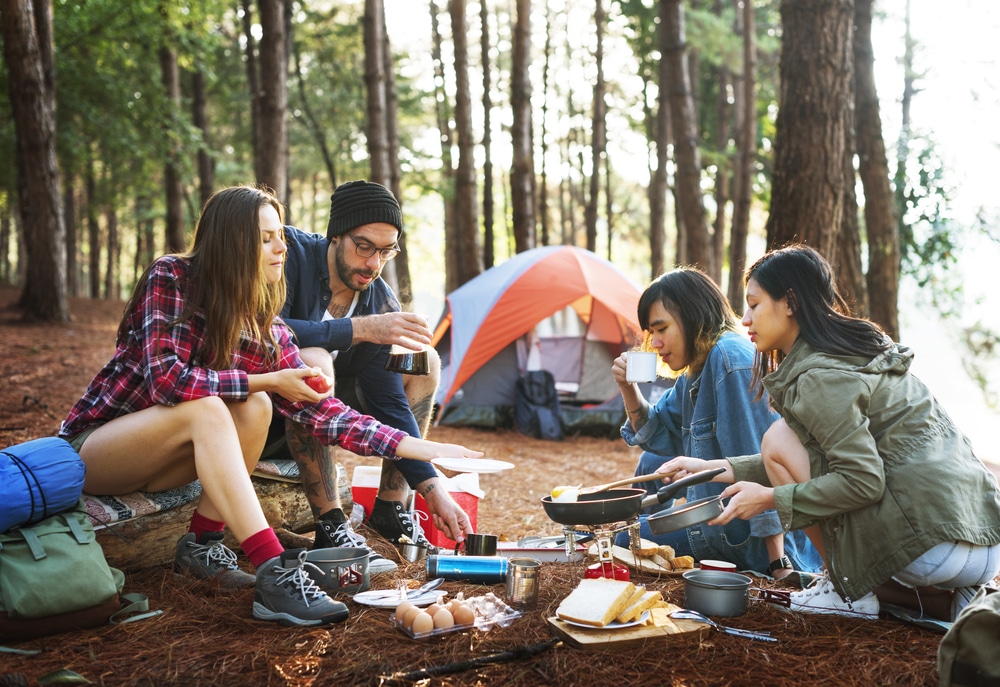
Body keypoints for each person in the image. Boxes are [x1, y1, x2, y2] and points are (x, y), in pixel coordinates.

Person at [58, 185, 482, 627]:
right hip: (100, 450)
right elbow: (168, 382)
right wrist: (269, 379)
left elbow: (319, 410)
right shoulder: (173, 275)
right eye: (266, 238)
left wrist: (417, 450)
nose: (282, 246)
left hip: (173, 460)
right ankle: (274, 571)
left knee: (256, 406)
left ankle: (201, 544)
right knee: (212, 406)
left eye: (279, 234)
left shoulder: (259, 312)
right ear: (230, 242)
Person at [655, 244, 1000, 621]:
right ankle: (939, 598)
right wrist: (710, 468)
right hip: (981, 542)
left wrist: (770, 498)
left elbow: (863, 481)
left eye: (754, 304)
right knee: (783, 443)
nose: (745, 318)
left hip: (932, 548)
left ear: (790, 302)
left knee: (778, 438)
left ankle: (844, 590)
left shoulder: (820, 375)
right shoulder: (853, 350)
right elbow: (810, 458)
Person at [267, 179, 466, 572]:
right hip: (261, 413)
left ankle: (391, 508)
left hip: (335, 418)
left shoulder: (378, 298)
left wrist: (432, 489)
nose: (374, 263)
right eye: (364, 247)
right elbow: (263, 328)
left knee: (420, 359)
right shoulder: (288, 256)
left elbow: (389, 401)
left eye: (386, 251)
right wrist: (360, 329)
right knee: (314, 361)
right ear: (335, 235)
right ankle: (331, 525)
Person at [612, 268, 821, 578]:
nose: (654, 343)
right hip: (723, 515)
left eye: (661, 329)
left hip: (745, 535)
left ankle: (632, 535)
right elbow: (655, 433)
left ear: (692, 315)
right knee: (651, 461)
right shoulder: (698, 366)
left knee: (622, 540)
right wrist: (628, 388)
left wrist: (776, 565)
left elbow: (761, 460)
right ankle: (637, 528)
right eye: (650, 333)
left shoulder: (728, 359)